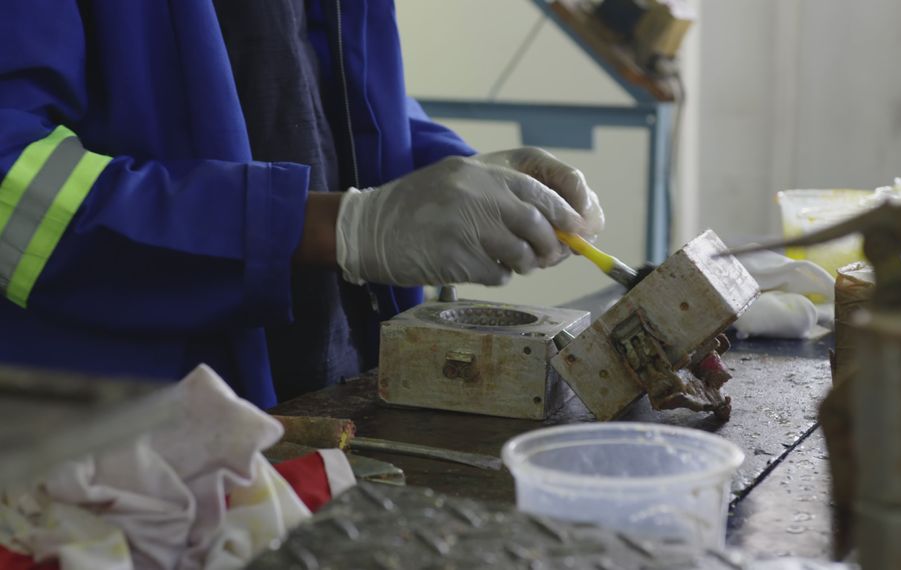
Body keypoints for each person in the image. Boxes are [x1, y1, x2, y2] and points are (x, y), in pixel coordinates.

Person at [0, 1, 604, 408]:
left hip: (332, 393)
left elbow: (308, 90)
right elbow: (14, 188)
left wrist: (449, 173)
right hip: (124, 428)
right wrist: (338, 226)